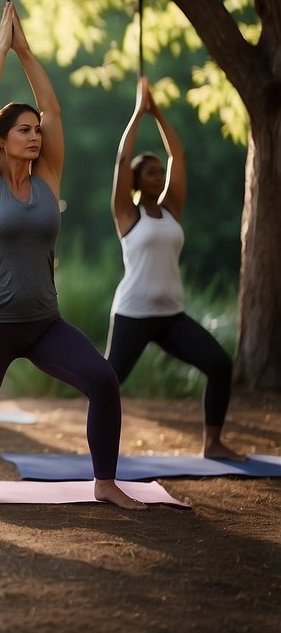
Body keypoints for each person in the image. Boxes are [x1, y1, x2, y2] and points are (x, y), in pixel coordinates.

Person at [0, 3, 145, 509]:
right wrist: (0, 50)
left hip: (42, 323)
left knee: (103, 380)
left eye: (37, 131)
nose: (36, 134)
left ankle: (104, 482)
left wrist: (26, 50)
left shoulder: (47, 179)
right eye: (24, 130)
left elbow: (54, 109)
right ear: (0, 140)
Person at [106, 76, 245, 460]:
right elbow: (121, 160)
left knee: (219, 364)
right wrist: (137, 113)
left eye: (159, 172)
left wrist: (157, 111)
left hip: (170, 315)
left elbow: (178, 157)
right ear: (136, 180)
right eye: (150, 172)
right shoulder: (126, 214)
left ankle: (213, 443)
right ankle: (99, 451)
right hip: (133, 314)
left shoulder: (171, 210)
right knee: (106, 383)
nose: (159, 176)